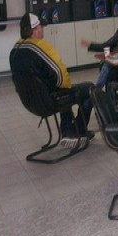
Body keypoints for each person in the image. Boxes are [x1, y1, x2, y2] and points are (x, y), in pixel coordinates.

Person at [10, 13, 94, 144]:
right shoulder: (40, 46)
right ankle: (76, 131)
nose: (43, 29)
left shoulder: (15, 51)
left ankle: (68, 130)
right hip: (47, 101)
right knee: (89, 89)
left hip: (30, 103)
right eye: (41, 26)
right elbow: (60, 75)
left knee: (60, 89)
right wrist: (67, 88)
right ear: (35, 30)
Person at [80, 6, 118, 90]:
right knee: (108, 65)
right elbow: (106, 45)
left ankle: (96, 90)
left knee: (107, 64)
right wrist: (90, 45)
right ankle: (99, 91)